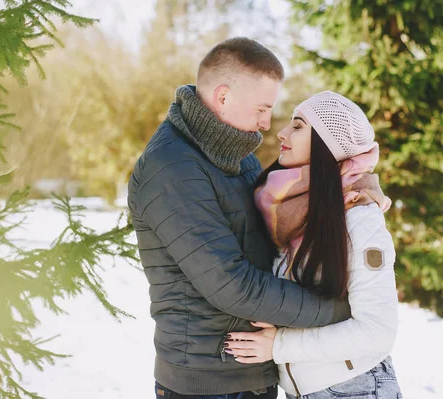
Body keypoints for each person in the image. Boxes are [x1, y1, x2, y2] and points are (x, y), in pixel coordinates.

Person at [127, 39, 352, 399]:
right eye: (262, 108)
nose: (267, 122)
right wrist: (339, 308)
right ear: (224, 97)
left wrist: (357, 186)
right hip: (207, 381)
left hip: (251, 372)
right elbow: (232, 284)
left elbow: (294, 205)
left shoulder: (234, 153)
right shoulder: (172, 168)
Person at [225, 91, 402, 399]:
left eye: (298, 125)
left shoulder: (359, 219)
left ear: (326, 143)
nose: (282, 132)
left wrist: (279, 345)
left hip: (354, 389)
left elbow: (376, 332)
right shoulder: (293, 212)